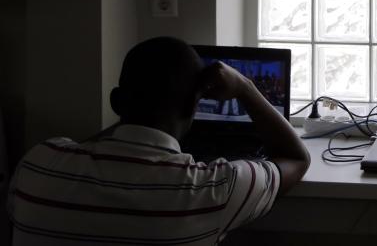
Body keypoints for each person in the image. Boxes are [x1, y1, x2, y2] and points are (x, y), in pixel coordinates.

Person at [7, 37, 311, 245]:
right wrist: (245, 87)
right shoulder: (214, 188)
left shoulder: (38, 164)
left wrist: (131, 111)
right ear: (194, 106)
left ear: (116, 102)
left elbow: (81, 147)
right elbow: (296, 158)